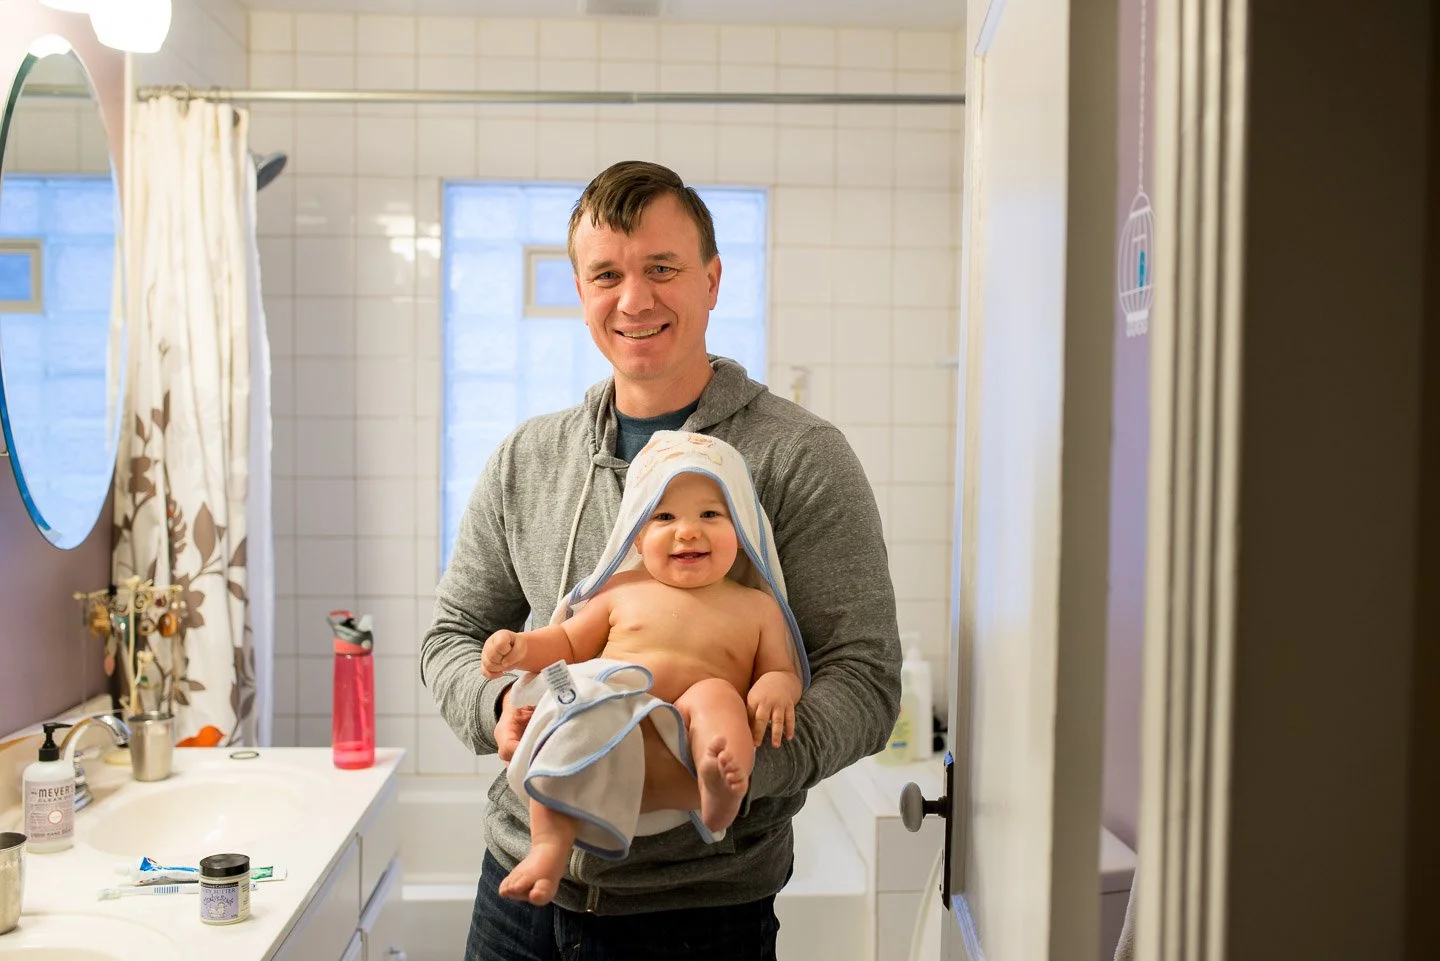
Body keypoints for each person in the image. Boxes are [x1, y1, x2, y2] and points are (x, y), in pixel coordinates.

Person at [421, 160, 902, 961]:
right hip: (519, 895)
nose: (634, 300)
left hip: (702, 911)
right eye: (606, 274)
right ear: (581, 292)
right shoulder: (528, 459)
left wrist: (716, 761)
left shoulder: (800, 457)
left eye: (663, 269)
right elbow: (455, 632)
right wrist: (498, 705)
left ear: (713, 279)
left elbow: (865, 674)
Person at [479, 434, 803, 907]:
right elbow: (567, 644)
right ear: (635, 532)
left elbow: (781, 668)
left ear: (744, 528)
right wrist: (520, 648)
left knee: (717, 696)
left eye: (711, 514)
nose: (688, 531)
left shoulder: (757, 607)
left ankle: (720, 787)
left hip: (686, 737)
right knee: (577, 711)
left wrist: (778, 685)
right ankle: (548, 847)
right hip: (615, 720)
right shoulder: (621, 589)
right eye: (664, 516)